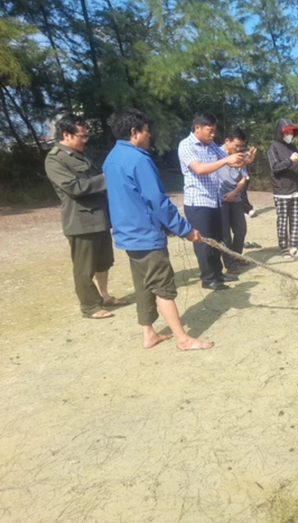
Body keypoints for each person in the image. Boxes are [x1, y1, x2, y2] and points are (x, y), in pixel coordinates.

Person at [103, 108, 213, 351]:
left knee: (143, 285)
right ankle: (183, 339)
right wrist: (185, 230)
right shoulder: (139, 159)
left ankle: (149, 334)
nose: (149, 136)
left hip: (127, 235)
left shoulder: (110, 159)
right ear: (135, 132)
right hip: (145, 235)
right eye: (147, 131)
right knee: (163, 287)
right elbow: (157, 201)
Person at [45, 113, 127, 319]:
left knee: (103, 261)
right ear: (66, 134)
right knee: (84, 268)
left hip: (99, 217)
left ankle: (104, 296)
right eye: (81, 136)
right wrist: (106, 179)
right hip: (81, 222)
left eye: (85, 136)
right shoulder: (55, 159)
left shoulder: (78, 155)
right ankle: (90, 307)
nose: (85, 140)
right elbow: (74, 187)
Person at [178, 113, 249, 290]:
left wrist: (245, 160)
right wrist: (226, 160)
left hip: (214, 201)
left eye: (214, 132)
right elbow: (200, 169)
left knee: (217, 240)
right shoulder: (186, 146)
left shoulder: (210, 146)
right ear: (197, 128)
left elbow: (231, 163)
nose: (212, 136)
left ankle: (218, 274)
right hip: (198, 203)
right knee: (203, 244)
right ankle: (208, 278)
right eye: (210, 131)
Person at [219, 127, 257, 273]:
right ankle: (229, 264)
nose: (239, 149)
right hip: (220, 199)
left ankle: (237, 257)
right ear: (227, 141)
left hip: (235, 198)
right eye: (237, 146)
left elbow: (243, 178)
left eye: (241, 146)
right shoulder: (215, 153)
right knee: (225, 235)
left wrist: (234, 193)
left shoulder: (240, 155)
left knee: (241, 230)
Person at [267, 118, 298, 258]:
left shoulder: (293, 147)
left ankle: (294, 246)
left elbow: (296, 168)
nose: (290, 134)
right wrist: (290, 160)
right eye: (287, 132)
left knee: (296, 219)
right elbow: (275, 168)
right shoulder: (273, 148)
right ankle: (284, 248)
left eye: (291, 132)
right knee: (282, 220)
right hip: (282, 191)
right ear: (280, 132)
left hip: (295, 189)